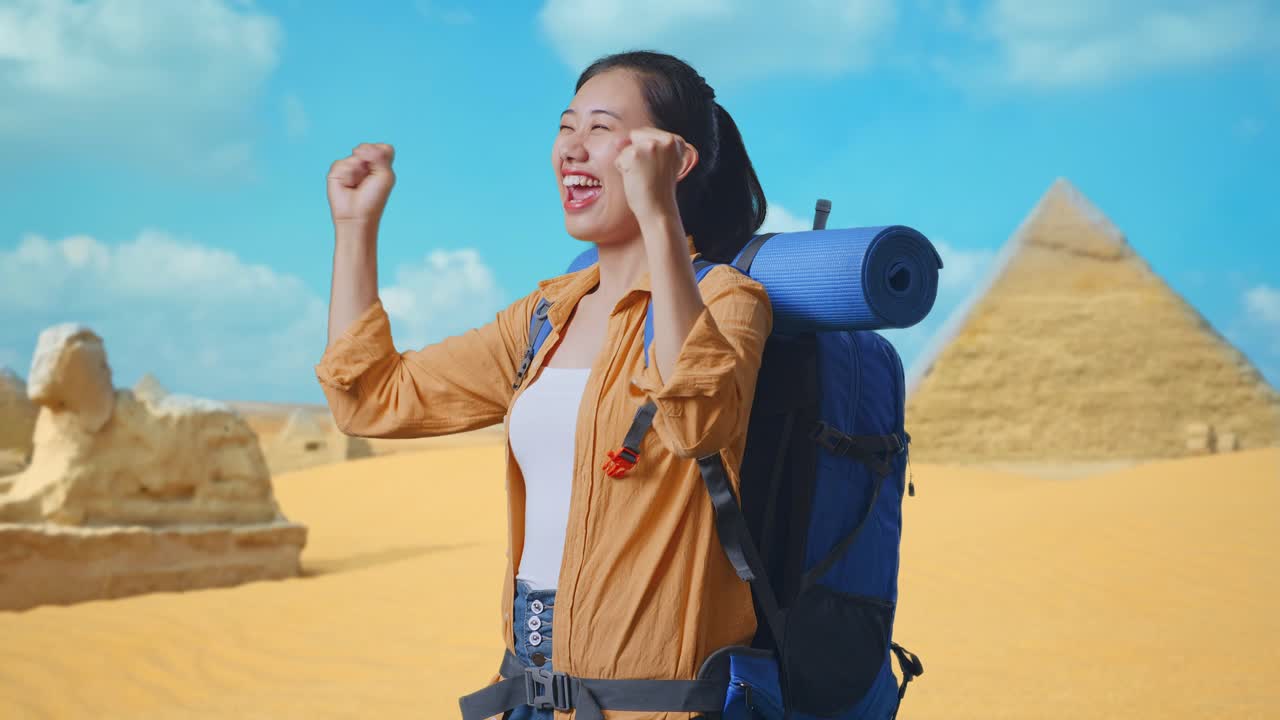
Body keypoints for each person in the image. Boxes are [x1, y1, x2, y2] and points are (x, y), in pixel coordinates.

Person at [315, 50, 773, 719]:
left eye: (600, 128)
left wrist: (660, 217)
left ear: (672, 158)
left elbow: (695, 420)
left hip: (654, 704)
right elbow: (368, 398)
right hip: (529, 689)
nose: (572, 149)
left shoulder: (729, 301)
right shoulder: (542, 317)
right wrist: (355, 227)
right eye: (567, 127)